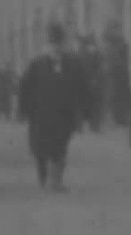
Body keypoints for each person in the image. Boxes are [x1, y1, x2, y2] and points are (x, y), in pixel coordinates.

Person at [19, 23, 91, 191]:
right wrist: (25, 109)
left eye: (58, 46)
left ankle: (56, 180)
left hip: (63, 113)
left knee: (60, 146)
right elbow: (25, 87)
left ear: (63, 46)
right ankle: (43, 177)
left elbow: (83, 87)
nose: (56, 50)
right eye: (52, 46)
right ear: (47, 46)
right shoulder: (36, 64)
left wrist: (84, 110)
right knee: (40, 149)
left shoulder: (73, 63)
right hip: (40, 114)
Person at [102, 22, 131, 127]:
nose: (117, 31)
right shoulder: (113, 43)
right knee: (114, 96)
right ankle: (116, 119)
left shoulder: (119, 43)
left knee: (118, 96)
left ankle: (119, 119)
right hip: (114, 73)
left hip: (118, 73)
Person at [76, 34, 106, 133]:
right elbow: (99, 67)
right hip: (89, 83)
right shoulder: (92, 52)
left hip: (84, 83)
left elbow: (99, 67)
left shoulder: (78, 53)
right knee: (92, 106)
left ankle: (82, 127)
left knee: (83, 106)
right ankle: (93, 126)